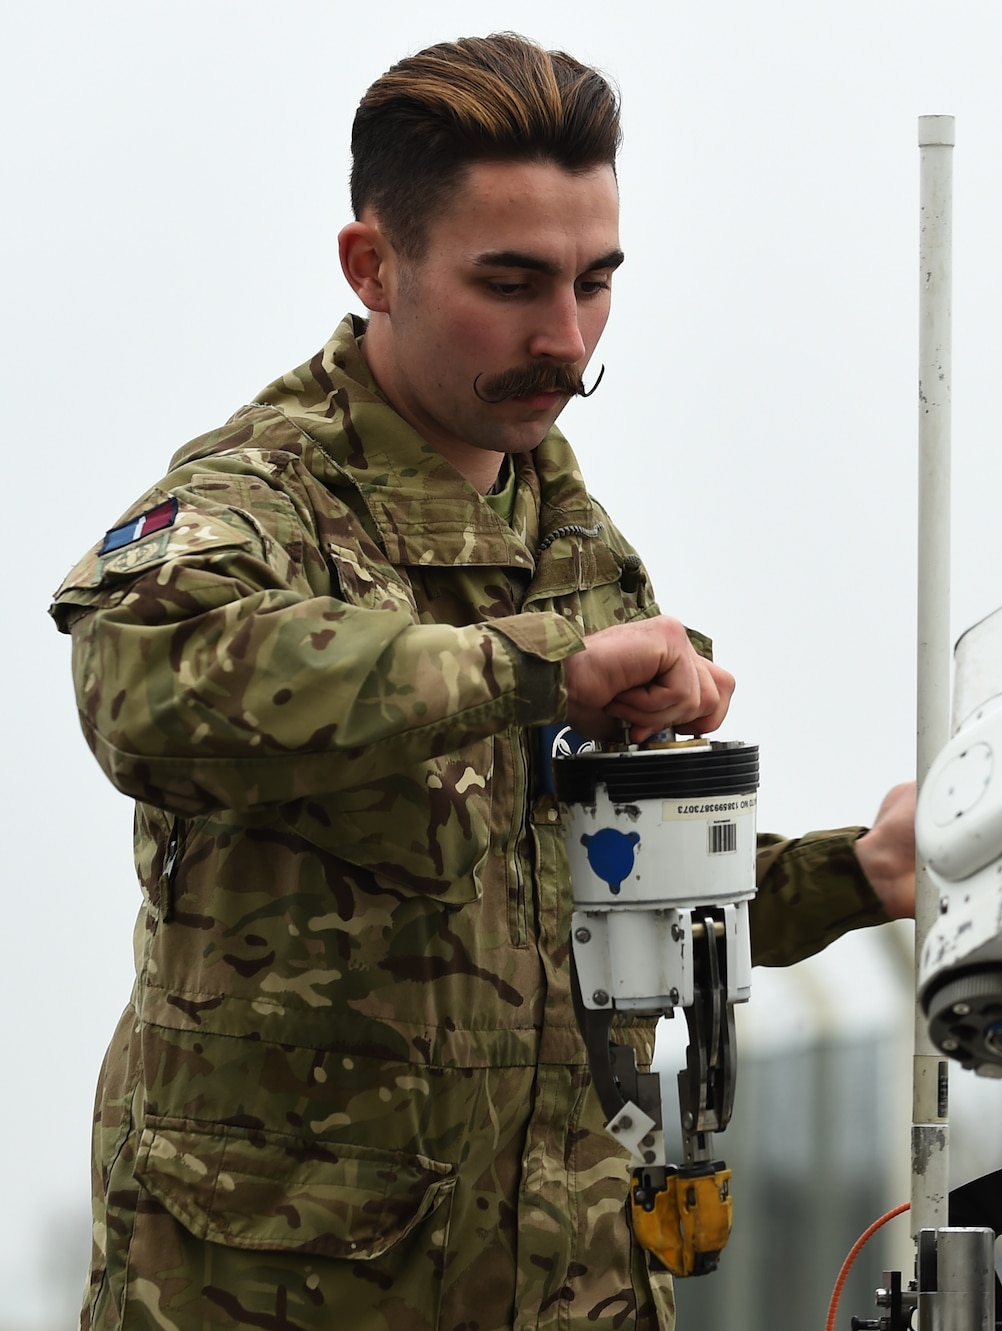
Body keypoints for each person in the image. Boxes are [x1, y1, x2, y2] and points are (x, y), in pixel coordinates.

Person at [50, 32, 915, 1331]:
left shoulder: (575, 546)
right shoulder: (263, 503)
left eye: (594, 283)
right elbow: (148, 682)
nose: (565, 338)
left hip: (568, 1290)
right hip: (281, 1297)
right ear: (373, 264)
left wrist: (862, 876)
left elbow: (622, 897)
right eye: (511, 283)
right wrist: (539, 671)